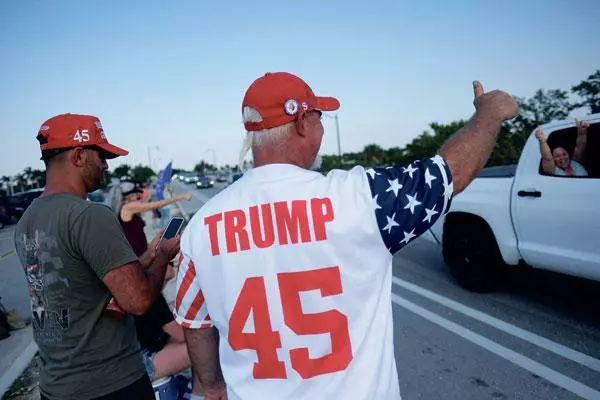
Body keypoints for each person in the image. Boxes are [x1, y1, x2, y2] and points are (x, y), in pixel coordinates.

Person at [173, 72, 519, 400]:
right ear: (302, 123)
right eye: (320, 116)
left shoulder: (200, 227)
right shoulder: (360, 198)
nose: (322, 127)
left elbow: (196, 325)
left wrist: (212, 385)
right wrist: (489, 115)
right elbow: (449, 171)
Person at [14, 113, 181, 400]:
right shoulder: (89, 215)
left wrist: (142, 261)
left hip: (55, 385)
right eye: (101, 156)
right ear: (78, 156)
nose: (105, 166)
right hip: (110, 383)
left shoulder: (28, 219)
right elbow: (138, 300)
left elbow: (76, 280)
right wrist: (164, 255)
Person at [117, 182, 204, 398]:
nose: (139, 197)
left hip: (140, 264)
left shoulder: (145, 293)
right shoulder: (126, 209)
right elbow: (155, 204)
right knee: (202, 348)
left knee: (184, 338)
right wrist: (180, 198)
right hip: (138, 367)